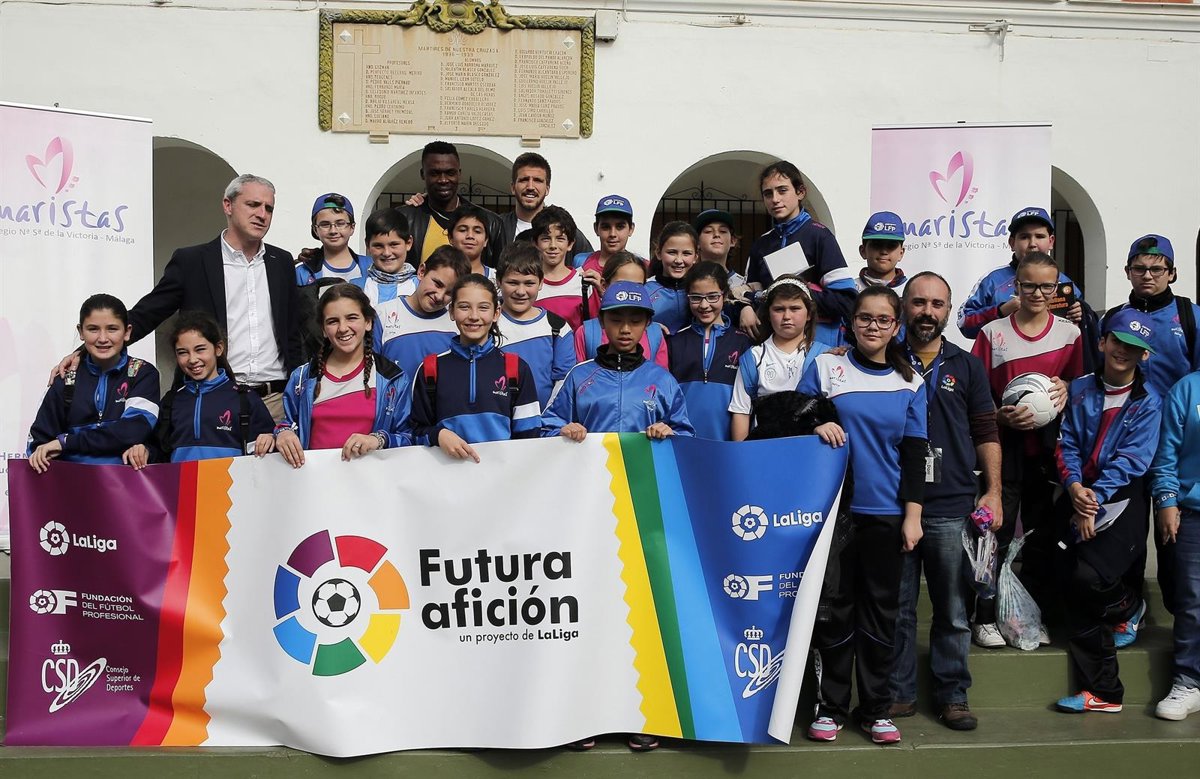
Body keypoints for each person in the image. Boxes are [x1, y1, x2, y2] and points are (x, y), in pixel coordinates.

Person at [56, 174, 301, 421]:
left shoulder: (281, 262)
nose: (262, 214)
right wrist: (84, 352)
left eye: (269, 208)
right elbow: (147, 313)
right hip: (212, 397)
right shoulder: (191, 262)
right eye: (253, 204)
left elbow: (292, 332)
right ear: (228, 205)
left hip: (276, 400)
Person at [799, 286, 927, 745]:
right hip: (833, 511)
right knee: (834, 612)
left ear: (896, 327)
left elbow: (915, 455)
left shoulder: (911, 383)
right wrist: (816, 423)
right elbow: (792, 417)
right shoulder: (825, 367)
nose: (873, 326)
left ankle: (875, 711)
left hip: (886, 513)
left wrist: (913, 516)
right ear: (851, 323)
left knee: (881, 614)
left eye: (883, 319)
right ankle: (831, 708)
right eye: (865, 318)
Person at [888, 271, 1000, 732]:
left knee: (953, 611)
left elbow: (986, 430)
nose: (927, 312)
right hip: (895, 503)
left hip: (952, 504)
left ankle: (953, 695)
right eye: (919, 302)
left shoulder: (967, 365)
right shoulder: (883, 357)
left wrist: (993, 490)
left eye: (937, 304)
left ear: (949, 311)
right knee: (898, 608)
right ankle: (898, 693)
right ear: (904, 307)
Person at [971, 251, 1084, 648]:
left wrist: (1068, 387)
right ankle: (985, 616)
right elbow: (976, 395)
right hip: (1004, 450)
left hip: (1049, 452)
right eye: (1030, 285)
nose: (1038, 293)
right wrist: (998, 417)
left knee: (1040, 537)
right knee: (995, 534)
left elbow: (1080, 386)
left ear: (1057, 288)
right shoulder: (992, 333)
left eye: (1046, 286)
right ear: (1016, 286)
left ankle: (1029, 617)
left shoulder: (1070, 335)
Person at [1052, 309, 1161, 714]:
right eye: (1117, 341)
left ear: (1144, 355)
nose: (1123, 351)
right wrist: (1075, 489)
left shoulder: (1150, 402)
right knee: (1065, 573)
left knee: (1088, 576)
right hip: (1079, 490)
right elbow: (1066, 443)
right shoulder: (1080, 388)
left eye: (1134, 347)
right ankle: (1104, 692)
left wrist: (1091, 501)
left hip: (1121, 497)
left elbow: (1132, 461)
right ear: (1102, 342)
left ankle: (1128, 606)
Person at [1102, 234, 1200, 619]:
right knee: (1127, 528)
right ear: (1127, 272)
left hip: (1176, 444)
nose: (1148, 275)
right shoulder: (1114, 318)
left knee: (1173, 530)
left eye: (1157, 269)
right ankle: (1128, 610)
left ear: (1172, 273)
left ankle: (1180, 613)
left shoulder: (1190, 317)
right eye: (1139, 268)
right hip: (1126, 441)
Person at [267, 284, 411, 468]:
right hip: (314, 479)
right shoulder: (302, 378)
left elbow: (408, 437)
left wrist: (378, 440)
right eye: (333, 321)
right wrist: (282, 433)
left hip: (372, 480)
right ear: (323, 329)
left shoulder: (393, 379)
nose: (343, 328)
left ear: (368, 322)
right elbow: (288, 424)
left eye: (352, 318)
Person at [543, 280, 694, 444]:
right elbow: (547, 427)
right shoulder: (578, 376)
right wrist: (563, 431)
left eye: (635, 321)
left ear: (647, 323)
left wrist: (670, 433)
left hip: (641, 462)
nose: (625, 330)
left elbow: (686, 436)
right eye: (616, 320)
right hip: (592, 461)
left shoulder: (663, 380)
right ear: (602, 321)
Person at [411, 275, 541, 461]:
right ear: (451, 312)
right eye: (464, 307)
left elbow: (530, 438)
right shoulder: (431, 368)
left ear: (496, 313)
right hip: (446, 474)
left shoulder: (516, 368)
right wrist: (438, 435)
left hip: (504, 475)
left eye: (483, 308)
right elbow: (414, 432)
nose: (473, 316)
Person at [122, 311, 275, 466]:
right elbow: (159, 451)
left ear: (218, 348)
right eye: (183, 352)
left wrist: (270, 440)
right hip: (182, 482)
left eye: (200, 349)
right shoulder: (171, 401)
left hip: (232, 481)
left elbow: (265, 454)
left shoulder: (244, 397)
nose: (192, 359)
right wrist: (145, 451)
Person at [28, 294, 160, 472]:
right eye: (93, 329)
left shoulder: (142, 373)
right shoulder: (65, 378)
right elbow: (38, 444)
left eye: (112, 329)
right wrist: (43, 453)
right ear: (81, 332)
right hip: (71, 483)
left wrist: (67, 442)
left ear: (127, 331)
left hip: (124, 484)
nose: (103, 338)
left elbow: (131, 432)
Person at [742, 161, 855, 345]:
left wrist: (796, 294)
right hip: (774, 347)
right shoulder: (761, 245)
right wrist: (744, 308)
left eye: (782, 190)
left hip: (818, 345)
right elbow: (748, 294)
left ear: (800, 192)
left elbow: (846, 302)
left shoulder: (820, 236)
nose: (775, 199)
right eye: (768, 194)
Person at [1150, 352, 1200, 721]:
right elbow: (1166, 453)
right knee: (1192, 600)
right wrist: (1167, 501)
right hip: (1193, 511)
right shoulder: (1186, 389)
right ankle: (1188, 682)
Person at [958, 206, 1083, 341]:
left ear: (1051, 241)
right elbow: (964, 324)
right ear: (1012, 243)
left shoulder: (1066, 284)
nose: (1032, 244)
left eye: (1039, 236)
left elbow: (1085, 332)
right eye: (1024, 237)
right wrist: (1001, 311)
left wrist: (1082, 316)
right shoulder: (992, 280)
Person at [729, 277, 830, 442]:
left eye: (795, 308)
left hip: (811, 447)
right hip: (765, 447)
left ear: (809, 314)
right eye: (779, 309)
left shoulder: (825, 355)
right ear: (768, 314)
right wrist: (742, 454)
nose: (787, 316)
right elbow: (741, 411)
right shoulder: (753, 357)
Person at [667, 262, 751, 441]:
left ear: (725, 295)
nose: (704, 305)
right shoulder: (675, 341)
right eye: (696, 298)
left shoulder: (742, 342)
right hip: (683, 441)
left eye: (712, 297)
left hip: (727, 444)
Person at [395, 141, 505, 268]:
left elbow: (502, 274)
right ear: (422, 174)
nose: (443, 180)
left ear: (459, 174)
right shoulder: (404, 219)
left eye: (450, 173)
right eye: (435, 173)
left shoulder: (492, 223)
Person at [494, 243, 576, 410]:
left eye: (529, 283)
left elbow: (563, 382)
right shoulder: (487, 324)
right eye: (513, 283)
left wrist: (547, 418)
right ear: (498, 281)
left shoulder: (557, 328)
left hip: (543, 420)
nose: (521, 291)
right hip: (498, 420)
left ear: (541, 282)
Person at [375, 246, 472, 382]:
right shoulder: (382, 315)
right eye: (437, 284)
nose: (439, 296)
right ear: (421, 271)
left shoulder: (457, 324)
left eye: (450, 293)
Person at [573, 252, 670, 369]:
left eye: (638, 286)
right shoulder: (586, 333)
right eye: (621, 284)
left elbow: (660, 376)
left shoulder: (655, 334)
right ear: (604, 285)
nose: (629, 291)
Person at [501, 152, 593, 252]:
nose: (530, 187)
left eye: (537, 180)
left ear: (547, 189)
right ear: (513, 187)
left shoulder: (567, 230)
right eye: (524, 180)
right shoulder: (498, 228)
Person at [577, 195, 639, 318]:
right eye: (606, 227)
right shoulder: (581, 261)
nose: (612, 234)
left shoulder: (642, 266)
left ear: (631, 229)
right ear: (596, 228)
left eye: (620, 227)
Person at [531, 206, 587, 330]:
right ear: (535, 243)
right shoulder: (527, 284)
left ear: (570, 244)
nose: (553, 245)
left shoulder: (584, 283)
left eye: (560, 239)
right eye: (546, 239)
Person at [295, 193, 369, 286]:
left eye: (340, 224)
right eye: (325, 224)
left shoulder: (371, 267)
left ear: (352, 227)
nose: (333, 231)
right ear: (315, 230)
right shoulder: (302, 273)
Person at [354, 208, 418, 307]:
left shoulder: (421, 287)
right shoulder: (356, 288)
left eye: (394, 245)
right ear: (367, 246)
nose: (387, 253)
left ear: (408, 243)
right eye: (378, 246)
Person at [645, 221, 700, 334]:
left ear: (695, 257)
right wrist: (649, 326)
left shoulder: (701, 290)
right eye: (672, 252)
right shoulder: (644, 289)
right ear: (658, 253)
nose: (679, 260)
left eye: (686, 253)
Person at [855, 211, 908, 294]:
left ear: (901, 253)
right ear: (863, 251)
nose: (884, 251)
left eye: (891, 245)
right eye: (877, 244)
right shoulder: (850, 291)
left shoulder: (911, 291)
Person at [693, 209, 746, 291]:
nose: (716, 235)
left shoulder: (743, 284)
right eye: (708, 231)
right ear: (697, 242)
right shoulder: (686, 280)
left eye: (723, 231)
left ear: (732, 241)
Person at [447, 204, 495, 280]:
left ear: (486, 240)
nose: (470, 236)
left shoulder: (498, 279)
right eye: (463, 230)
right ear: (450, 237)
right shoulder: (439, 276)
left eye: (477, 231)